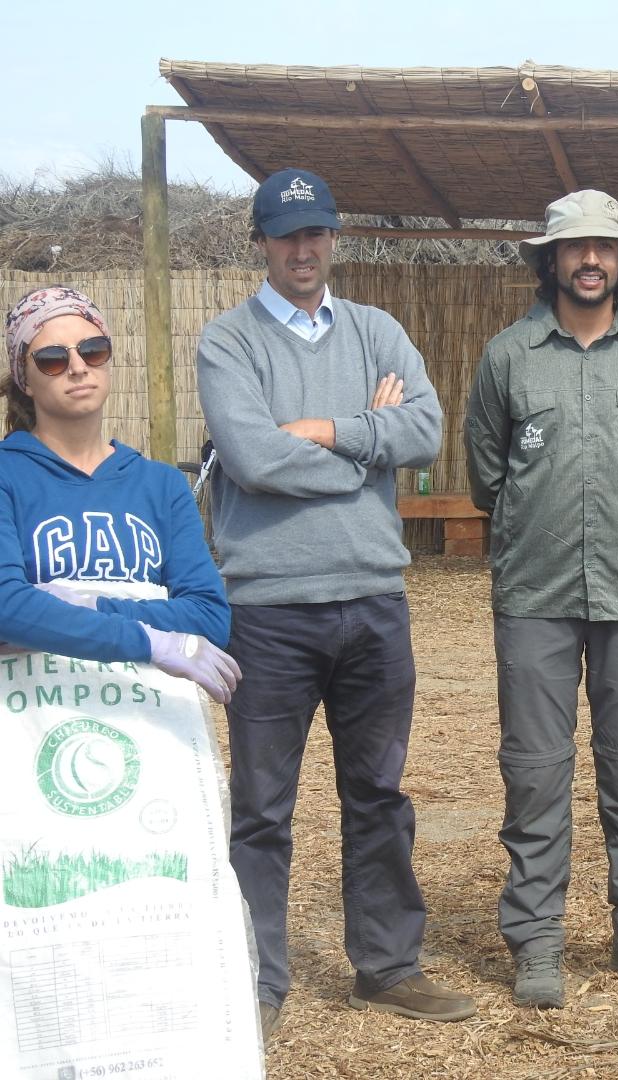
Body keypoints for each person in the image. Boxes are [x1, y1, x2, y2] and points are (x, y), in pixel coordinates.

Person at [197, 168, 474, 1041]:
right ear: (261, 243)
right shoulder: (227, 344)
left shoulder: (375, 329)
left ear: (333, 238)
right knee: (261, 810)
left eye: (315, 233)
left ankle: (387, 966)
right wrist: (367, 444)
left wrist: (323, 430)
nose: (303, 249)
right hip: (271, 611)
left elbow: (425, 434)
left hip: (374, 603)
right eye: (286, 234)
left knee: (380, 795)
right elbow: (251, 459)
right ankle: (254, 978)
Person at [464, 189, 618, 1009]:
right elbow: (486, 475)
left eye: (605, 247)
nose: (591, 260)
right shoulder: (509, 357)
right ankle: (536, 944)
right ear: (550, 260)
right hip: (534, 593)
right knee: (534, 772)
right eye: (575, 248)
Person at [1, 285, 238, 702]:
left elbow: (209, 616)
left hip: (146, 728)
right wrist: (155, 640)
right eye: (53, 359)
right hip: (30, 729)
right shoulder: (8, 475)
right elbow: (7, 606)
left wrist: (85, 607)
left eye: (92, 350)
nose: (77, 367)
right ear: (27, 380)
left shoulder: (161, 486)